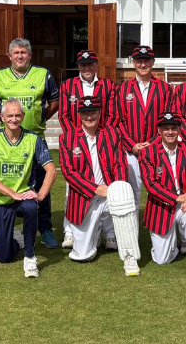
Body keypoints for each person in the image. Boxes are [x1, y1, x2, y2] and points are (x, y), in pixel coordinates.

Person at [0, 38, 60, 248]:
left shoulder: (43, 74)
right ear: (9, 56)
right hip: (6, 144)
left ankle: (45, 229)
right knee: (6, 184)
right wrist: (3, 117)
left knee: (41, 185)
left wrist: (40, 118)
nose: (20, 56)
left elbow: (54, 102)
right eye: (16, 52)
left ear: (30, 55)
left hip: (34, 139)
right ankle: (3, 228)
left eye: (24, 53)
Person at [59, 96, 141, 276]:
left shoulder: (112, 133)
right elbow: (68, 172)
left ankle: (130, 257)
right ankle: (95, 232)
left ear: (99, 112)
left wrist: (116, 188)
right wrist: (95, 188)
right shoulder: (67, 137)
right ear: (79, 114)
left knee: (125, 201)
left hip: (110, 192)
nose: (90, 117)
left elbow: (120, 163)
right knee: (83, 255)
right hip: (85, 196)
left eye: (93, 112)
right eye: (85, 113)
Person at [0, 99, 56, 278]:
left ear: (23, 116)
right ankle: (15, 238)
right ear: (2, 117)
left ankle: (30, 256)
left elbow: (51, 170)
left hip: (23, 198)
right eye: (10, 116)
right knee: (4, 257)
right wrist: (11, 193)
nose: (14, 119)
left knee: (31, 206)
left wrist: (40, 194)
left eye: (17, 115)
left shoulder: (33, 139)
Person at [58, 49, 121, 248]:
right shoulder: (68, 86)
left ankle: (110, 233)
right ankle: (69, 231)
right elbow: (64, 116)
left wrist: (105, 138)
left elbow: (112, 115)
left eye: (90, 64)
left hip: (102, 141)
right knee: (73, 188)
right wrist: (75, 140)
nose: (87, 68)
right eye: (83, 65)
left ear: (96, 66)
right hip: (76, 144)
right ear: (78, 66)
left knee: (108, 186)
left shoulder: (107, 85)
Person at [115, 45, 173, 248]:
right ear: (133, 63)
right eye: (139, 60)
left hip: (158, 151)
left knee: (162, 193)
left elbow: (169, 121)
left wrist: (153, 144)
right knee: (132, 197)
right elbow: (118, 121)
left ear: (153, 63)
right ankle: (131, 240)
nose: (143, 64)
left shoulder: (165, 89)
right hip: (131, 152)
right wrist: (132, 145)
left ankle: (164, 237)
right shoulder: (122, 89)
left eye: (147, 60)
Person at [138, 112, 186, 280]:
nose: (170, 132)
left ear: (180, 129)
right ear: (159, 131)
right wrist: (177, 198)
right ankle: (175, 243)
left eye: (174, 128)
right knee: (162, 259)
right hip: (161, 206)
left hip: (185, 203)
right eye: (166, 128)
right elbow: (151, 185)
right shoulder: (147, 153)